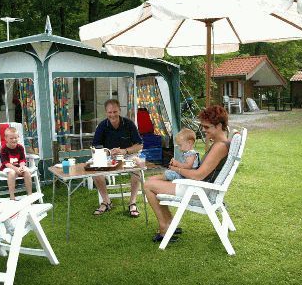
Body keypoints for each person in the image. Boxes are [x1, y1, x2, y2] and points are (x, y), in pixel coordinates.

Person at [144, 105, 230, 242]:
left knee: (148, 185)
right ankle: (169, 222)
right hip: (202, 187)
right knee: (156, 181)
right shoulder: (223, 142)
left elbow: (197, 175)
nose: (203, 130)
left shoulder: (220, 146)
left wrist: (177, 169)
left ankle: (164, 226)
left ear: (219, 126)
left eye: (207, 127)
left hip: (199, 190)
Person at [92, 99, 143, 217]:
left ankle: (132, 203)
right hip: (109, 156)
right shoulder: (102, 126)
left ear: (119, 110)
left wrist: (124, 151)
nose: (112, 115)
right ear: (106, 113)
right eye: (109, 112)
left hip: (128, 155)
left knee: (137, 168)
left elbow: (139, 145)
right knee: (95, 171)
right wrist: (108, 152)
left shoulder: (129, 124)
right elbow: (96, 147)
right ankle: (106, 201)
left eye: (115, 111)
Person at [0, 127, 32, 200]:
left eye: (15, 138)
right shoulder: (4, 148)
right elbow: (5, 162)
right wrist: (15, 169)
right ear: (6, 138)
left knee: (27, 172)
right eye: (11, 138)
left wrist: (21, 166)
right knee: (12, 173)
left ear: (18, 137)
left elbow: (22, 159)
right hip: (7, 167)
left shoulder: (20, 147)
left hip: (19, 167)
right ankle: (12, 196)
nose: (14, 140)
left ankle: (30, 195)